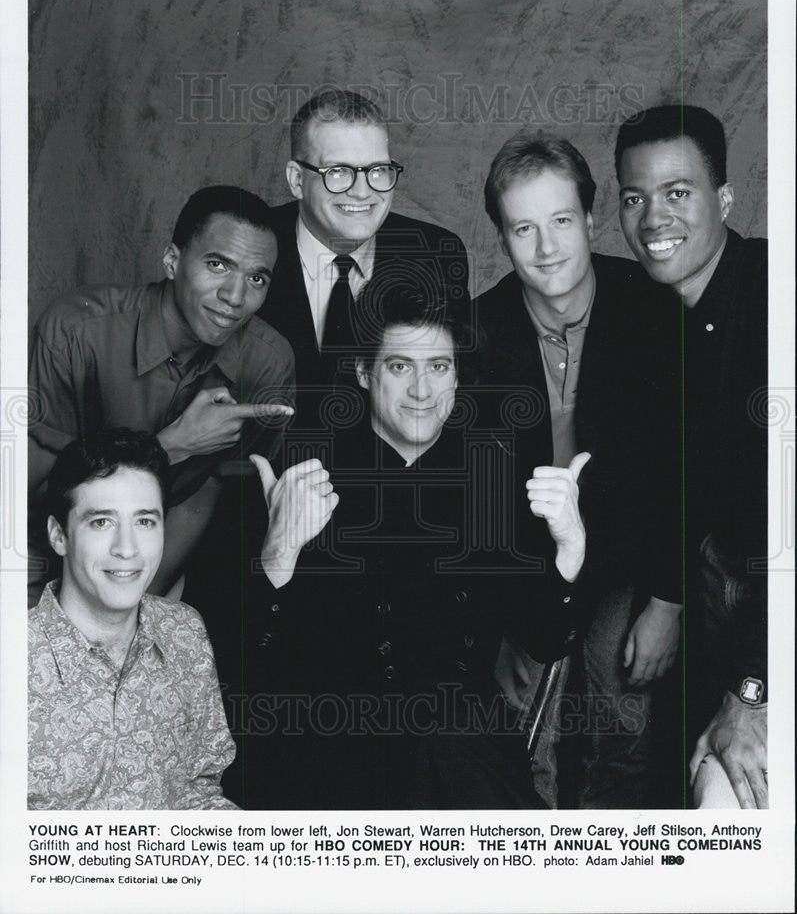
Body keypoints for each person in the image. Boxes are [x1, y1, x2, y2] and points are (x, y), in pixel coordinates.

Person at [224, 277, 587, 810]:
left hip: (459, 753)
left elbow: (543, 636)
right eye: (400, 366)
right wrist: (277, 556)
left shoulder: (492, 479)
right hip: (326, 751)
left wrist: (570, 548)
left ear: (458, 377)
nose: (422, 389)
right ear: (364, 372)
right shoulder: (298, 475)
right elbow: (244, 665)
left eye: (438, 367)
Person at [476, 131, 683, 808]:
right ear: (502, 240)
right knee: (515, 742)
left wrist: (666, 599)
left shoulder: (657, 311)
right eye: (523, 229)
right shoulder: (476, 333)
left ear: (590, 220)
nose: (545, 248)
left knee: (619, 729)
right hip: (528, 563)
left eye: (560, 221)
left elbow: (684, 472)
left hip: (631, 562)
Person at [28, 185, 295, 604]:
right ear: (172, 261)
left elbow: (206, 498)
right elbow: (32, 495)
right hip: (38, 555)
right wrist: (171, 447)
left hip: (154, 576)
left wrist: (134, 608)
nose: (236, 297)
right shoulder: (75, 333)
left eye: (256, 278)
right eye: (218, 265)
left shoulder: (268, 363)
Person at [615, 104, 768, 809]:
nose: (652, 219)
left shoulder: (775, 301)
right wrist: (667, 599)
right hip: (719, 588)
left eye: (677, 193)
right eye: (633, 197)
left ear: (725, 201)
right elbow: (674, 475)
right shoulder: (656, 320)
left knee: (723, 805)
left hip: (772, 608)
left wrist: (751, 693)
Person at [28, 429, 237, 809]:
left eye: (144, 522)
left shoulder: (184, 631)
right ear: (59, 536)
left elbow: (199, 792)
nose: (127, 549)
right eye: (101, 522)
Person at [257, 87, 470, 420]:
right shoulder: (252, 246)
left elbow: (448, 394)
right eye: (338, 171)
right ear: (297, 179)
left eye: (377, 170)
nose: (362, 191)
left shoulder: (434, 255)